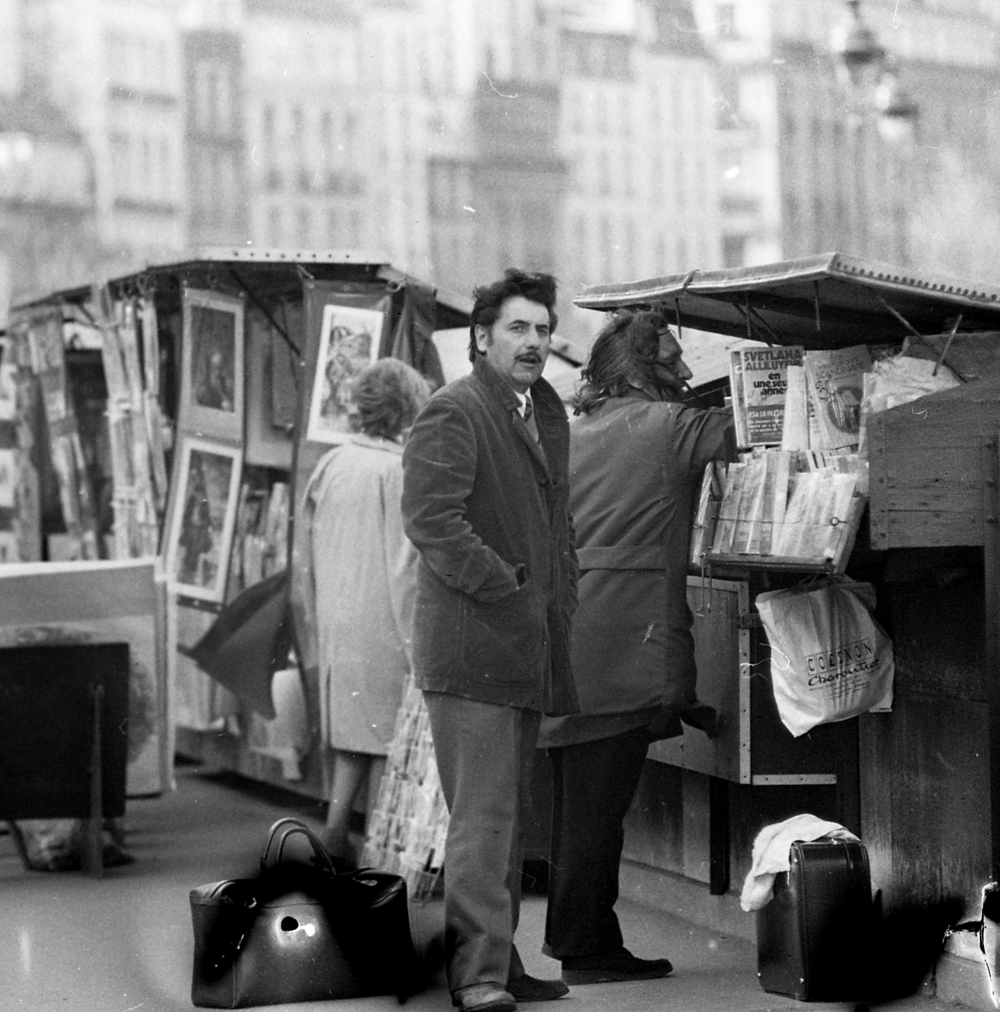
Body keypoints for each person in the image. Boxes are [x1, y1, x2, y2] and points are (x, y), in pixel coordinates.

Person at [538, 310, 735, 984]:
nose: (684, 370)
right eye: (674, 359)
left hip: (570, 635)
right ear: (645, 368)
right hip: (624, 642)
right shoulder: (671, 427)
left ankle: (578, 939)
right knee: (598, 810)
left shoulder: (573, 428)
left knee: (577, 805)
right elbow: (754, 433)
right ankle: (588, 949)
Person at [401, 269, 579, 1012]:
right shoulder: (456, 411)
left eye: (542, 330)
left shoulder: (538, 409)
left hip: (516, 645)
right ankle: (475, 975)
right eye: (517, 328)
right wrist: (505, 583)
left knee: (505, 817)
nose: (533, 342)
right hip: (476, 646)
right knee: (483, 820)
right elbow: (431, 519)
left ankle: (500, 967)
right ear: (481, 337)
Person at [293, 357, 431, 864]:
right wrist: (419, 645)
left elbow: (305, 555)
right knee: (388, 743)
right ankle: (378, 854)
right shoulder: (396, 471)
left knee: (353, 736)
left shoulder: (332, 463)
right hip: (384, 626)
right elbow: (405, 566)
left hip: (337, 621)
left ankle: (333, 833)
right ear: (405, 412)